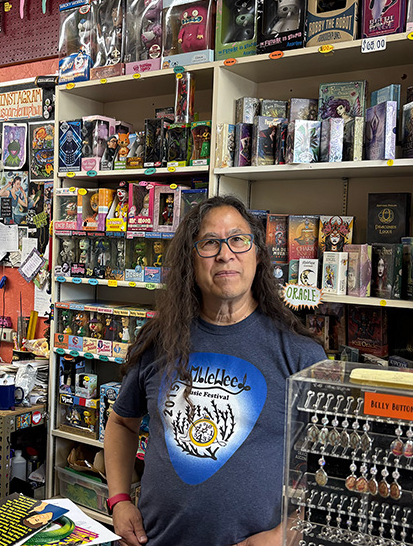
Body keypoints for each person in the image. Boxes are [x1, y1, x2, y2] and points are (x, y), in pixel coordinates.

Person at [103, 196, 326, 546]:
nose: (225, 254)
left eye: (238, 239)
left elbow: (337, 470)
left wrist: (288, 534)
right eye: (209, 243)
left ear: (257, 254)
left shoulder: (300, 355)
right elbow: (120, 422)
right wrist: (118, 500)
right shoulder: (161, 341)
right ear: (191, 261)